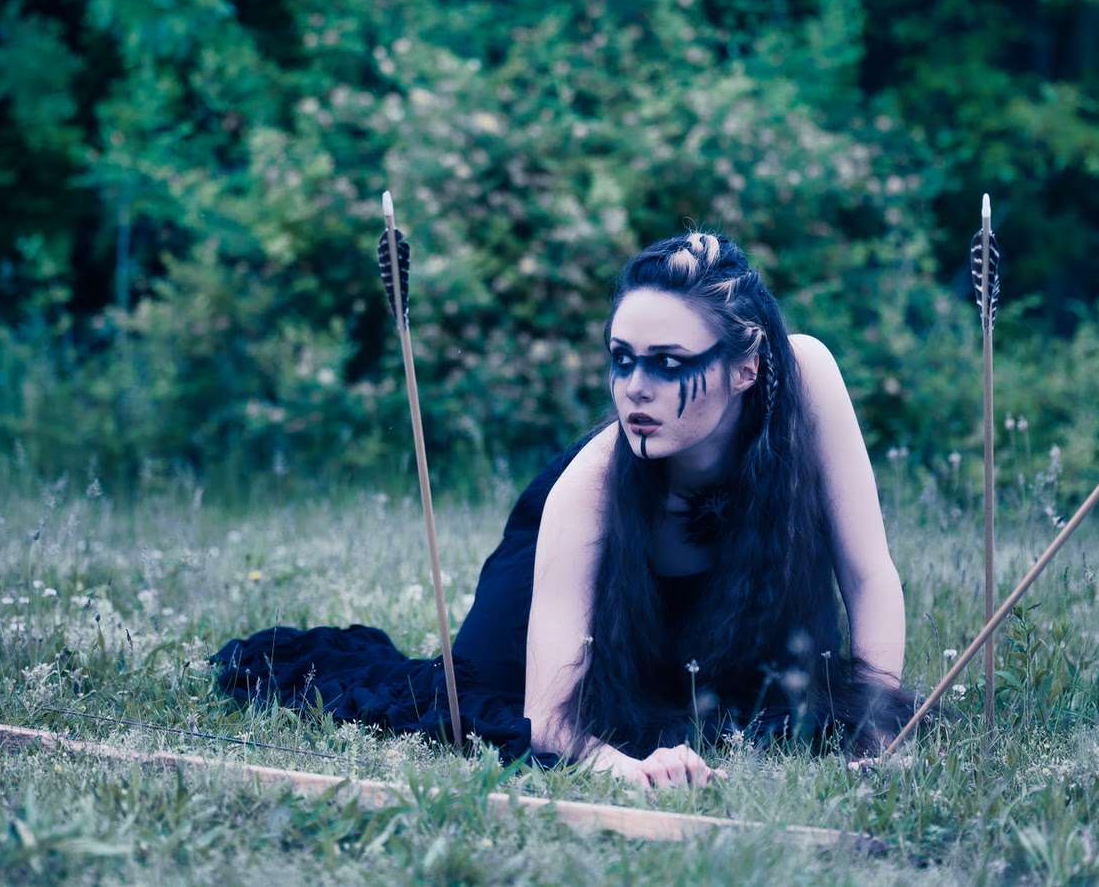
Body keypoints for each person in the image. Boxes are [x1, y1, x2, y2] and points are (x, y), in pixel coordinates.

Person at [212, 230, 924, 790]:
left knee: (768, 706)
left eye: (669, 362)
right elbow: (549, 720)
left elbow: (868, 575)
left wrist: (878, 728)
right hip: (566, 584)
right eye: (622, 358)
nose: (635, 387)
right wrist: (621, 766)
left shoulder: (806, 377)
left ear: (746, 367)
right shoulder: (588, 487)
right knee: (480, 699)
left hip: (726, 611)